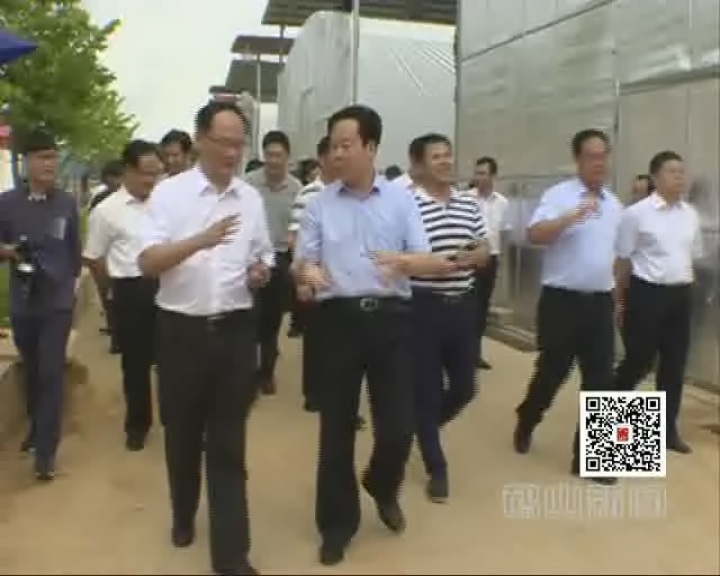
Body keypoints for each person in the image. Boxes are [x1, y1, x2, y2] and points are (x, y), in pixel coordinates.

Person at [294, 105, 459, 566]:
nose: (337, 153)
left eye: (346, 145)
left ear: (371, 147)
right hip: (339, 322)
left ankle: (382, 484)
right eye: (333, 146)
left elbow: (425, 258)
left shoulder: (401, 201)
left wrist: (403, 262)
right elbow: (303, 263)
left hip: (394, 321)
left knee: (400, 426)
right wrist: (305, 276)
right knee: (336, 431)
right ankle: (336, 525)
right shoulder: (319, 204)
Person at [137, 100, 272, 576]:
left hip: (234, 331)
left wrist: (259, 270)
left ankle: (231, 555)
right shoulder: (168, 195)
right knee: (182, 435)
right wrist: (201, 240)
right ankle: (183, 511)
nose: (233, 153)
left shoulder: (250, 199)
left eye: (239, 144)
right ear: (200, 140)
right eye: (224, 143)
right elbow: (148, 262)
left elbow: (264, 255)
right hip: (181, 333)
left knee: (228, 445)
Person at [512, 128, 622, 486]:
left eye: (604, 155)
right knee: (552, 372)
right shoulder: (559, 195)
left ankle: (595, 461)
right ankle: (527, 417)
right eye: (592, 156)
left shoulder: (614, 204)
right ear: (578, 160)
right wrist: (569, 218)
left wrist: (619, 298)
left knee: (601, 379)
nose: (600, 163)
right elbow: (534, 234)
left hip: (600, 303)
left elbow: (618, 256)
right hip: (561, 301)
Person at [408, 133, 489, 503]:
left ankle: (423, 426)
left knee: (464, 387)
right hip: (424, 307)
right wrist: (431, 265)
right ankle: (436, 466)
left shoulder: (467, 203)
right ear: (420, 164)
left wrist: (479, 255)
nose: (445, 161)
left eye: (448, 154)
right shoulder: (408, 205)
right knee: (426, 390)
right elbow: (395, 258)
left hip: (462, 305)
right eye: (436, 156)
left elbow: (483, 245)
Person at [0, 128, 82, 481]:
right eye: (42, 158)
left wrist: (69, 286)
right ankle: (36, 427)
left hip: (56, 305)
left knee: (51, 373)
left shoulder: (66, 203)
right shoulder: (7, 203)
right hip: (23, 303)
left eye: (53, 157)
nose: (49, 164)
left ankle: (46, 454)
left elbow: (74, 252)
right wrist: (8, 251)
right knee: (32, 371)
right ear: (25, 162)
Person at [614, 151, 701, 454]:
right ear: (655, 177)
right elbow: (623, 261)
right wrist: (619, 301)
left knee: (674, 364)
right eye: (672, 172)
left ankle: (667, 430)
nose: (679, 177)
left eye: (681, 172)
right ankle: (612, 420)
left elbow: (692, 255)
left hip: (680, 294)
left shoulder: (690, 214)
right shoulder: (636, 214)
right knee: (639, 361)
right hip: (646, 293)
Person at [83, 140, 163, 451]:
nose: (151, 180)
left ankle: (180, 422)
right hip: (130, 290)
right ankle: (138, 424)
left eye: (156, 173)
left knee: (176, 360)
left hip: (168, 286)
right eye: (146, 173)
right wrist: (111, 293)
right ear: (128, 170)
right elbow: (94, 257)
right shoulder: (106, 212)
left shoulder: (166, 201)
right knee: (136, 362)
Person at [244, 130, 301, 395]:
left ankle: (266, 373)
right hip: (251, 259)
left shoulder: (297, 190)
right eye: (269, 155)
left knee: (271, 320)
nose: (274, 160)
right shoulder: (248, 185)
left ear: (287, 157)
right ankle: (246, 373)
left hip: (280, 258)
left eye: (279, 155)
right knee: (249, 318)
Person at [466, 156, 510, 369]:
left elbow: (505, 232)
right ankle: (461, 353)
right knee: (467, 307)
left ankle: (475, 353)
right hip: (468, 258)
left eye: (483, 173)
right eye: (477, 173)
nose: (479, 177)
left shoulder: (502, 203)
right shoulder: (465, 199)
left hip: (491, 258)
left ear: (493, 176)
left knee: (482, 307)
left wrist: (502, 259)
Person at [88, 159, 124, 352]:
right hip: (103, 256)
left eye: (119, 177)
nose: (116, 182)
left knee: (120, 297)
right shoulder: (100, 201)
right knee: (108, 296)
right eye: (112, 179)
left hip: (121, 256)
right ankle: (115, 334)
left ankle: (121, 333)